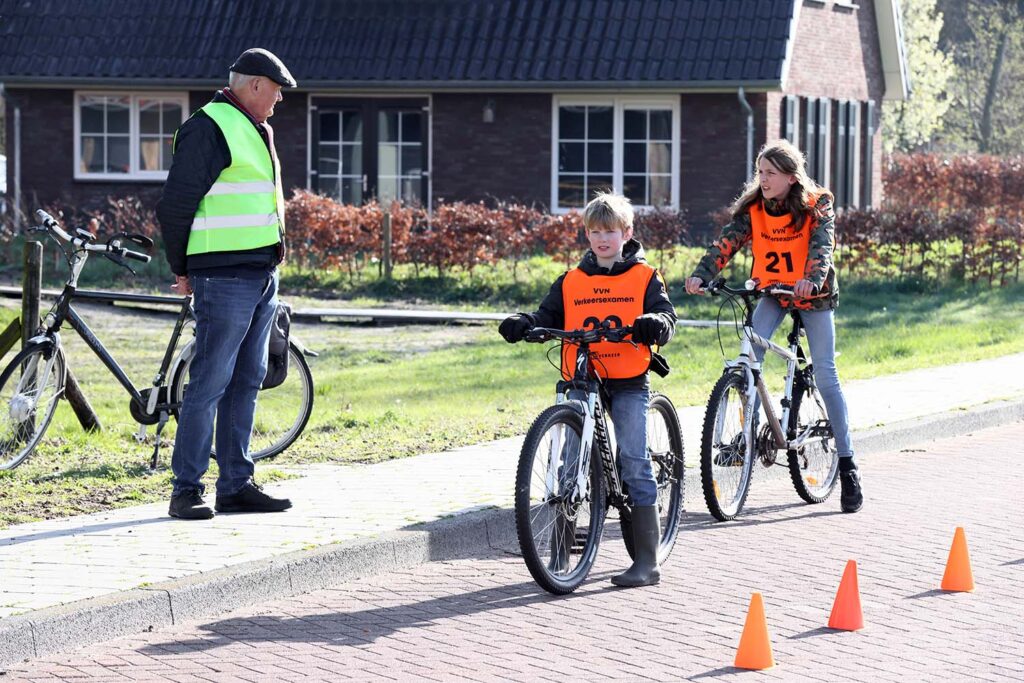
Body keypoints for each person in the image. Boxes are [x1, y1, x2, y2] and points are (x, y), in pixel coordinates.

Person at [500, 192, 677, 587]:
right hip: (582, 377)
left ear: (626, 233)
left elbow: (666, 315)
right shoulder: (571, 280)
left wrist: (655, 323)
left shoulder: (646, 277)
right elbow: (547, 315)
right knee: (567, 463)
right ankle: (561, 554)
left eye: (610, 232)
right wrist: (524, 323)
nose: (602, 239)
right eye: (595, 232)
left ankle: (647, 562)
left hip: (629, 377)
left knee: (633, 458)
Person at [684, 139, 863, 513]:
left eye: (771, 173)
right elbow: (726, 245)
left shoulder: (818, 204)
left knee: (827, 374)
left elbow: (822, 247)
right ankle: (744, 435)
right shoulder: (753, 208)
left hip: (813, 295)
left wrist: (812, 278)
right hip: (773, 290)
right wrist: (702, 275)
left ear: (791, 177)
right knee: (748, 355)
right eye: (760, 172)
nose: (763, 179)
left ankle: (847, 465)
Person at [156, 48, 297, 520]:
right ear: (255, 84)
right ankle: (186, 491)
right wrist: (182, 269)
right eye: (276, 91)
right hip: (222, 276)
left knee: (247, 380)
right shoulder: (209, 127)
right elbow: (175, 205)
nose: (278, 101)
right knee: (210, 382)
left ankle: (236, 485)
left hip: (260, 274)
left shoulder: (257, 127)